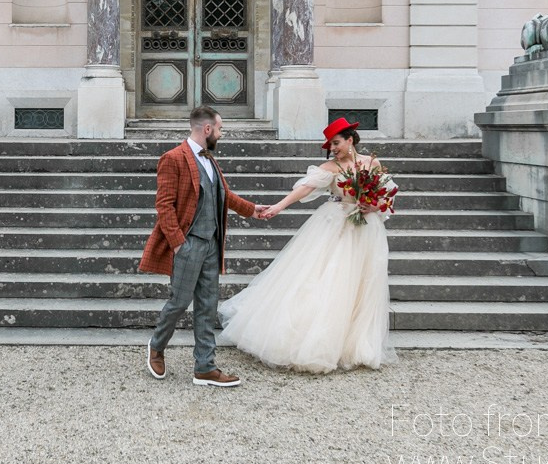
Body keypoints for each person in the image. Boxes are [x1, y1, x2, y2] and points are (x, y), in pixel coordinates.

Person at [218, 117, 398, 374]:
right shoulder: (330, 168)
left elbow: (388, 197)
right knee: (333, 282)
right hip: (337, 225)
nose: (333, 148)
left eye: (336, 143)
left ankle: (358, 345)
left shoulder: (372, 163)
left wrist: (374, 205)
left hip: (367, 230)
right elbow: (304, 189)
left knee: (364, 285)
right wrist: (279, 206)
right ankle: (321, 344)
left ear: (350, 139)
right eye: (329, 145)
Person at [141, 106, 268, 387]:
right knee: (179, 302)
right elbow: (164, 206)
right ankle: (156, 345)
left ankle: (205, 366)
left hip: (212, 243)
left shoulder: (210, 160)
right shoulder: (173, 158)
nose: (221, 135)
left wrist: (252, 209)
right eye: (220, 130)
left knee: (208, 305)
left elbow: (223, 194)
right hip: (188, 243)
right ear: (207, 129)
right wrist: (177, 244)